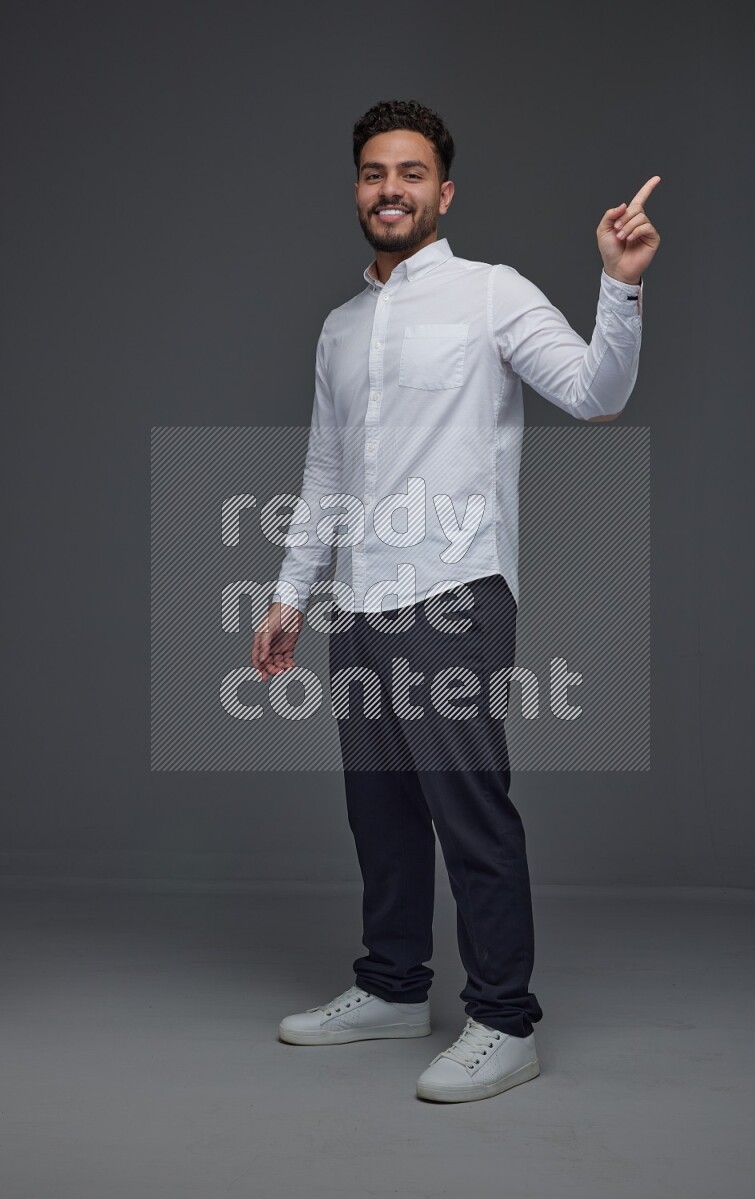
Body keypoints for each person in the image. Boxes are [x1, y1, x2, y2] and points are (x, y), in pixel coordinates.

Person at [252, 99, 661, 1104]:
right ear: (358, 188)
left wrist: (618, 288)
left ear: (444, 190)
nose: (388, 189)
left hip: (455, 596)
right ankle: (391, 985)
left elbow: (594, 391)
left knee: (467, 810)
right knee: (379, 812)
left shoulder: (490, 295)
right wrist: (289, 595)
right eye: (371, 173)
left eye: (409, 173)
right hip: (360, 602)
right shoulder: (339, 328)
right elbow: (322, 471)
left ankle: (504, 1017)